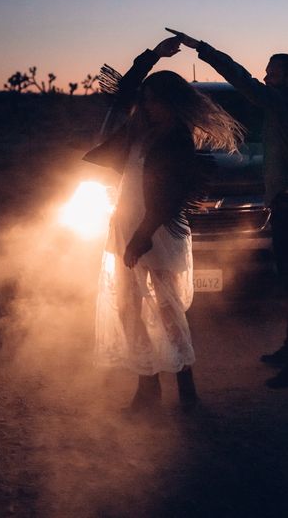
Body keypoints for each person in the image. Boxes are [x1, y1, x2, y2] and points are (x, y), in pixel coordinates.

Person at [83, 36, 243, 413]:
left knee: (167, 310)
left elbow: (167, 199)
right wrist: (153, 55)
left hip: (155, 234)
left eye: (154, 99)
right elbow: (124, 91)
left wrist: (141, 238)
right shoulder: (138, 130)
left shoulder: (177, 141)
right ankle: (147, 389)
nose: (147, 104)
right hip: (126, 226)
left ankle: (187, 392)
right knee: (128, 307)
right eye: (147, 98)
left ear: (170, 102)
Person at [166, 28, 288, 388]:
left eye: (273, 72)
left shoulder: (282, 103)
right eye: (267, 72)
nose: (266, 77)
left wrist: (200, 48)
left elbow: (240, 78)